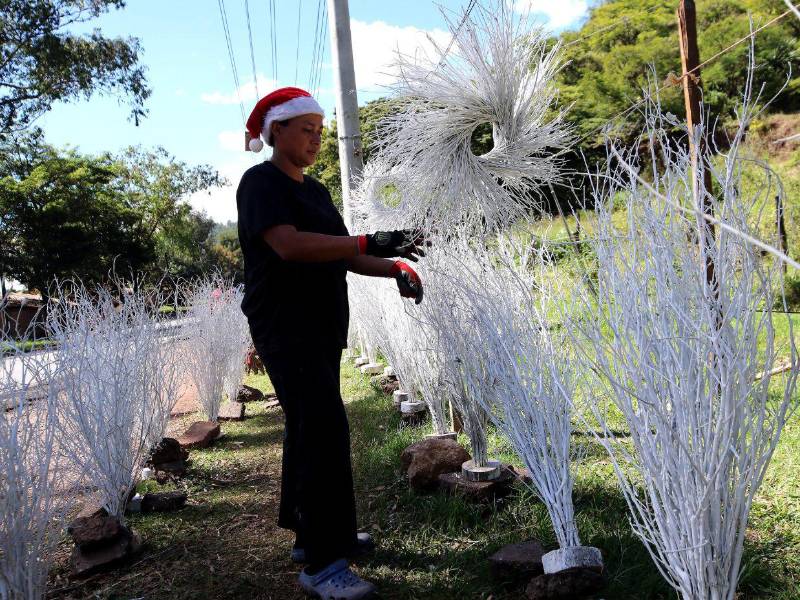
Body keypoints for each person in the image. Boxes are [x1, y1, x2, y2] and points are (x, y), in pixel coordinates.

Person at [236, 87, 425, 600]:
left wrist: (394, 265)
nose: (317, 139)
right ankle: (323, 565)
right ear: (277, 131)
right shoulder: (260, 183)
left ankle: (314, 535)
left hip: (320, 325)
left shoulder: (316, 192)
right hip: (284, 326)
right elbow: (290, 246)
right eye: (307, 129)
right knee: (322, 430)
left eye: (321, 130)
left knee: (309, 425)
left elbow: (344, 253)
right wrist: (370, 241)